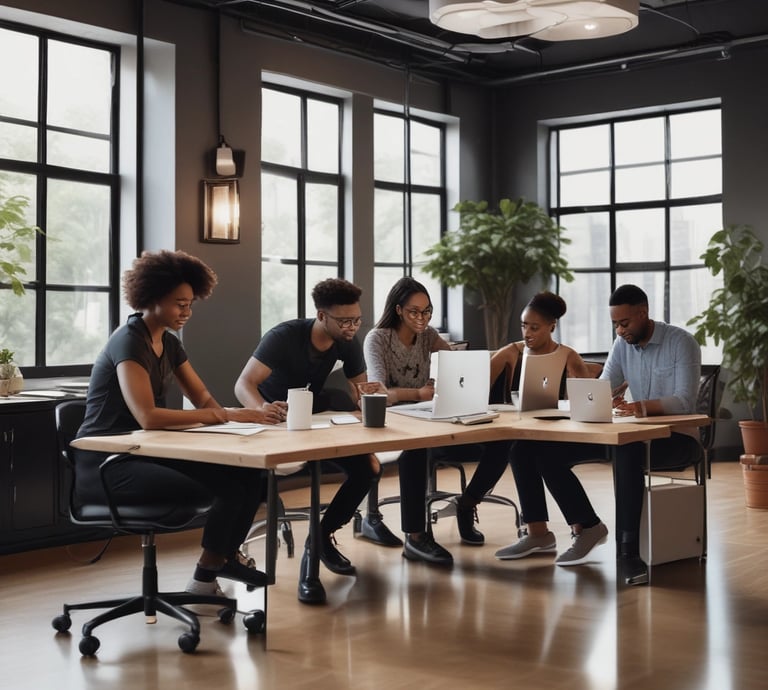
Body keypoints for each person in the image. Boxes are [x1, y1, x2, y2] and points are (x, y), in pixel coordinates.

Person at [75, 249, 281, 596]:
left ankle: (218, 563)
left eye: (190, 304)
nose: (186, 312)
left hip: (145, 451)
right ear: (151, 298)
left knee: (250, 475)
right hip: (109, 462)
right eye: (178, 304)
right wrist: (226, 415)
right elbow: (148, 416)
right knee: (226, 490)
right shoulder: (129, 342)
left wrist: (240, 427)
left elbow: (202, 398)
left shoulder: (168, 343)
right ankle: (207, 575)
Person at [496, 285, 701, 583]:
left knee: (627, 451)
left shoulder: (681, 342)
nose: (619, 331)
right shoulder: (622, 344)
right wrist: (598, 399)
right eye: (615, 324)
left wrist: (638, 406)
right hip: (626, 434)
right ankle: (584, 526)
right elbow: (603, 387)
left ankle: (628, 554)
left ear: (643, 314)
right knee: (529, 449)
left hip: (677, 438)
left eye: (625, 323)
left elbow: (685, 402)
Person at [234, 277, 399, 579]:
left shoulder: (346, 341)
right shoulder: (284, 336)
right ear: (321, 316)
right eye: (345, 321)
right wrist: (261, 409)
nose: (351, 327)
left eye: (357, 320)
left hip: (312, 419)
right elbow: (243, 384)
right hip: (275, 423)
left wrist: (371, 396)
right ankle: (230, 555)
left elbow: (362, 390)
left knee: (369, 469)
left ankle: (320, 538)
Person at [363, 276, 513, 565]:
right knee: (415, 451)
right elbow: (377, 391)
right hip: (396, 422)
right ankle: (416, 538)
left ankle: (467, 503)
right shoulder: (377, 338)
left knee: (502, 441)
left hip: (433, 417)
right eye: (414, 312)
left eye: (426, 311)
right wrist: (417, 392)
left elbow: (458, 369)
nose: (421, 318)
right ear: (398, 310)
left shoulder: (429, 335)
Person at [454, 291, 601, 564]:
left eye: (534, 327)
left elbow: (588, 400)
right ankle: (540, 533)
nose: (527, 332)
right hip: (518, 428)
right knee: (520, 450)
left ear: (551, 326)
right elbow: (474, 385)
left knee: (529, 452)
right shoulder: (511, 352)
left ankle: (567, 529)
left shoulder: (569, 356)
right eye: (523, 325)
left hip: (556, 430)